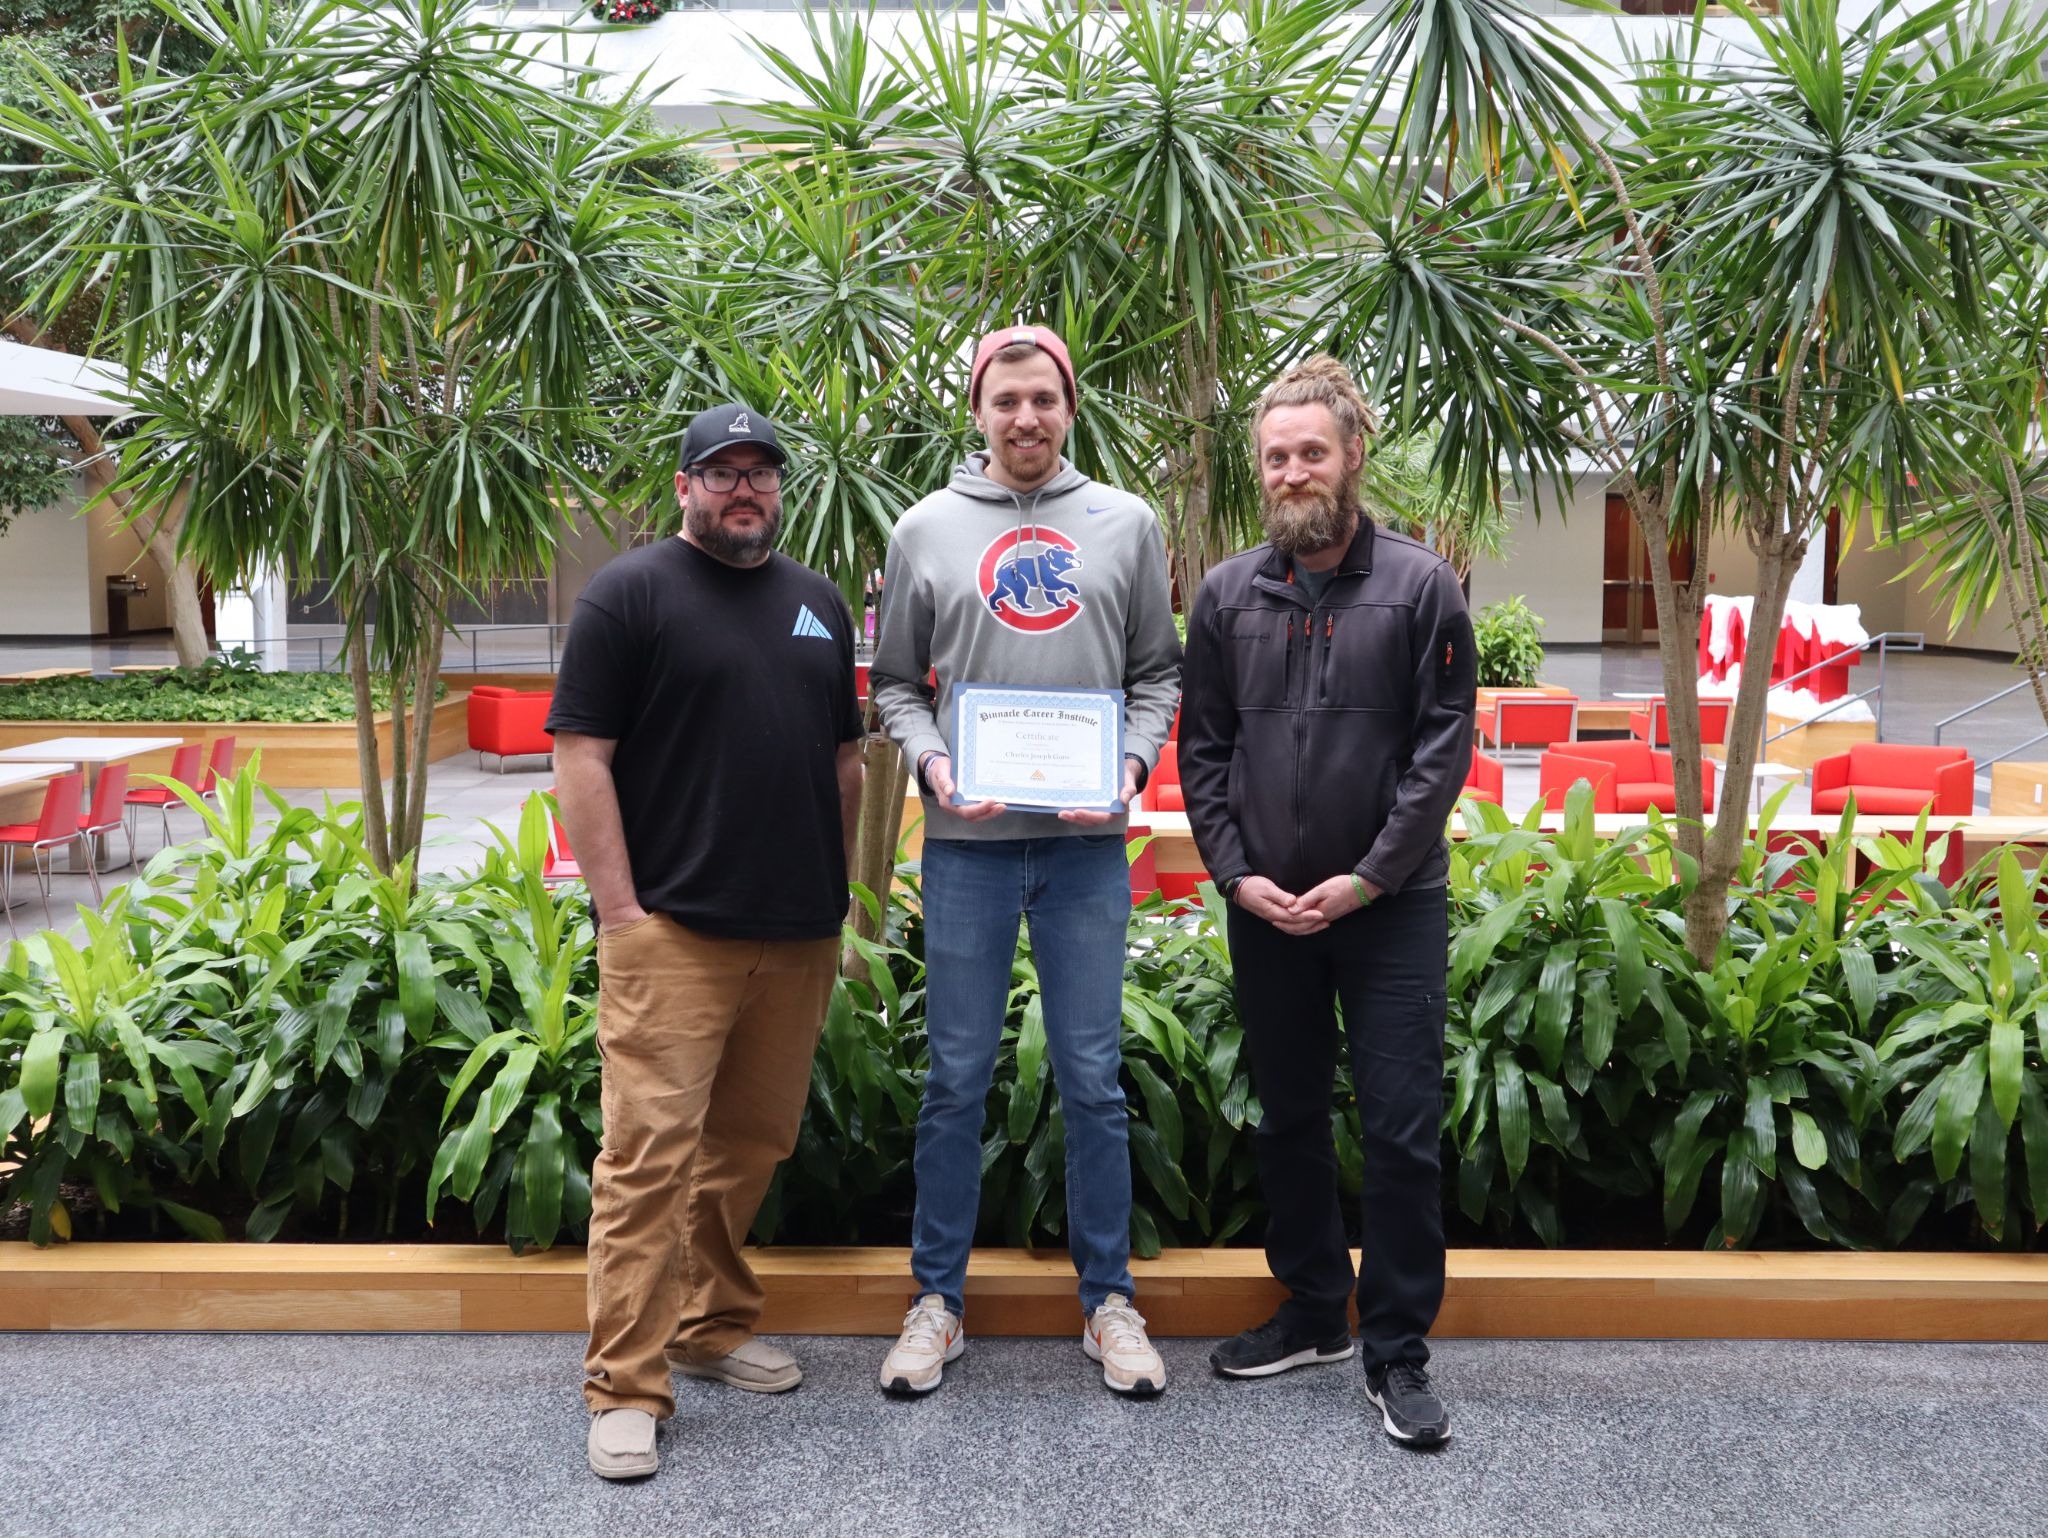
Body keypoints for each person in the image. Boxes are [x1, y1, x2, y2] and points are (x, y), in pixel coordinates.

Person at [548, 403, 864, 1481]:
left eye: (760, 474)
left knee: (747, 1147)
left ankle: (710, 1323)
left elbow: (842, 765)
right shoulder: (627, 594)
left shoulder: (819, 603)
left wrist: (848, 899)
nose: (743, 489)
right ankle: (624, 1385)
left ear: (780, 489)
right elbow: (581, 757)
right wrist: (621, 913)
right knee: (645, 1161)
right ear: (682, 486)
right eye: (720, 472)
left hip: (797, 931)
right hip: (673, 931)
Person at [868, 325, 1182, 1397]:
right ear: (977, 409)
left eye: (1042, 399)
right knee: (954, 1077)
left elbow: (1156, 676)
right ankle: (936, 1301)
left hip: (1088, 848)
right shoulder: (924, 531)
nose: (1024, 419)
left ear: (1069, 405)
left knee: (1091, 1079)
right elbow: (894, 684)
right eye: (1004, 400)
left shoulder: (1125, 524)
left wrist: (1132, 762)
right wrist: (932, 759)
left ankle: (1109, 1302)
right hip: (966, 847)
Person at [1177, 355, 1475, 1447]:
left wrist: (1367, 876)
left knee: (1398, 1131)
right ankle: (1312, 1307)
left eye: (1310, 450)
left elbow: (1442, 751)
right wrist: (1232, 872)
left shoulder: (1419, 586)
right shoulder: (1224, 593)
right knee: (1287, 1115)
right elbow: (1201, 748)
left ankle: (1395, 1348)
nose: (1292, 470)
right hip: (1264, 907)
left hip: (1387, 907)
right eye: (1274, 457)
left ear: (1350, 455)